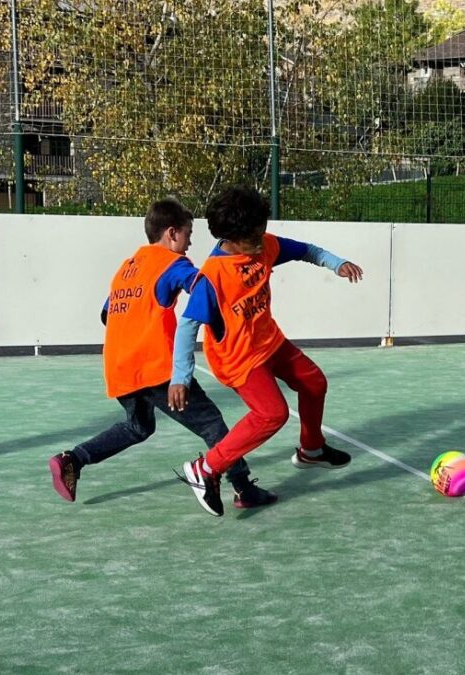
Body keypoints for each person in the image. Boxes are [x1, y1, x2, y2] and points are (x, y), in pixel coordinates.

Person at [48, 198, 275, 509]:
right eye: (188, 233)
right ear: (172, 233)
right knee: (211, 423)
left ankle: (73, 459)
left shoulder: (128, 267)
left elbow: (106, 314)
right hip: (155, 368)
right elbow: (206, 288)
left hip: (120, 367)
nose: (190, 242)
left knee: (138, 426)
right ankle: (243, 488)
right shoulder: (174, 264)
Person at [171, 186, 364, 517]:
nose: (261, 240)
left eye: (263, 230)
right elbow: (188, 326)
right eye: (254, 236)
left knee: (314, 382)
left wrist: (337, 263)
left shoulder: (265, 245)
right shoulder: (213, 277)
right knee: (272, 414)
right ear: (232, 238)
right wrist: (180, 377)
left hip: (268, 341)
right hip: (238, 358)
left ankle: (312, 450)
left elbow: (307, 250)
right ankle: (206, 468)